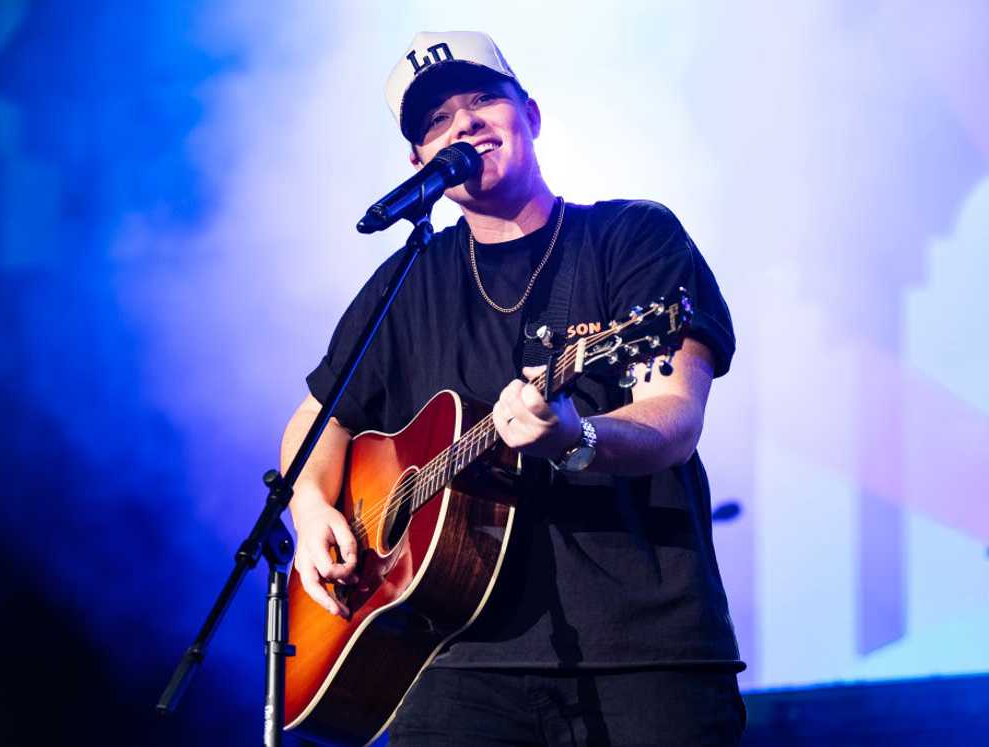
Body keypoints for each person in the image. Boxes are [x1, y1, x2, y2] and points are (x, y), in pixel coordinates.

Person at [282, 31, 745, 745]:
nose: (463, 123)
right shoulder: (409, 279)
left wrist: (575, 436)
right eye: (436, 120)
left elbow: (675, 416)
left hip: (643, 655)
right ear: (417, 161)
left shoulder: (631, 236)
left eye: (482, 101)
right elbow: (319, 418)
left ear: (529, 113)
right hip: (448, 660)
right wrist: (311, 509)